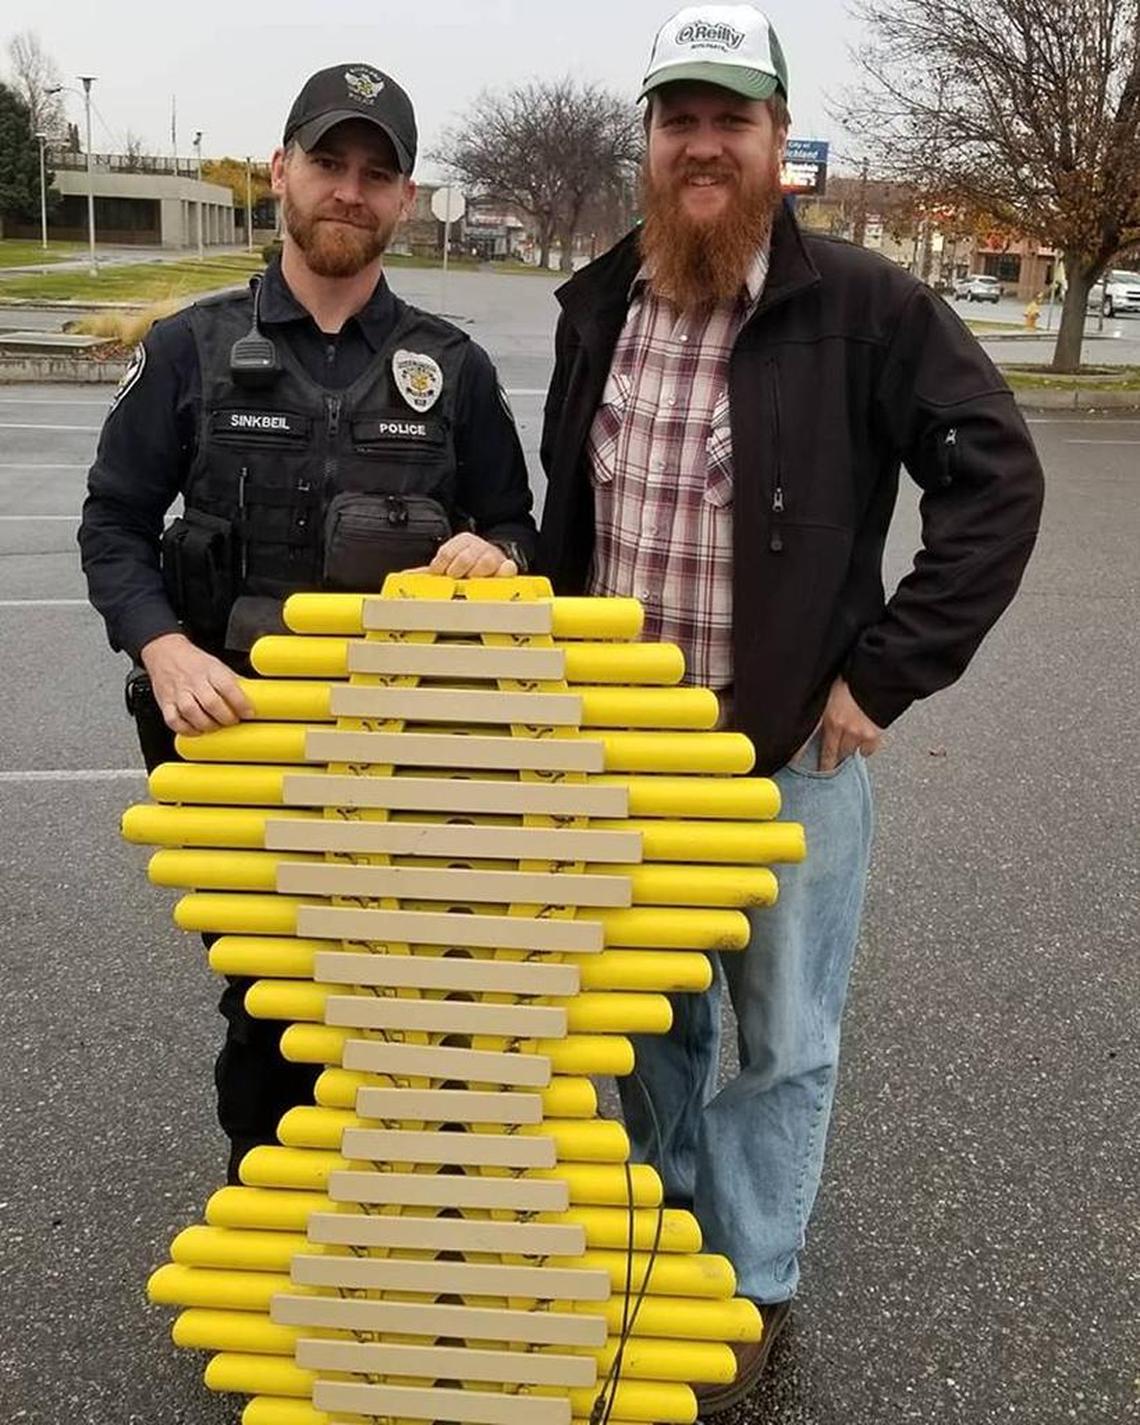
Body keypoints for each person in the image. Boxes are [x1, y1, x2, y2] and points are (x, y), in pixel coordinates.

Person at [537, 4, 1043, 1408]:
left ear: (777, 140)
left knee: (782, 1044)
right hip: (620, 765)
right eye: (678, 120)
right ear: (648, 141)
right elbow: (570, 526)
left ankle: (749, 1279)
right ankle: (655, 1251)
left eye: (732, 119)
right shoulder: (597, 307)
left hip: (785, 767)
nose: (703, 145)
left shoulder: (866, 308)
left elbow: (997, 481)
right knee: (645, 1034)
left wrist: (882, 674)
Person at [79, 63, 537, 1183]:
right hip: (234, 738)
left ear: (407, 198)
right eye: (329, 162)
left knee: (417, 992)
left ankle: (400, 1217)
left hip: (408, 756)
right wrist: (162, 645)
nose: (350, 189)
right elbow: (113, 524)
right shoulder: (189, 350)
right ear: (282, 170)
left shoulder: (452, 368)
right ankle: (278, 1220)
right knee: (273, 999)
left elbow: (517, 525)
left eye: (377, 173)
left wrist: (501, 555)